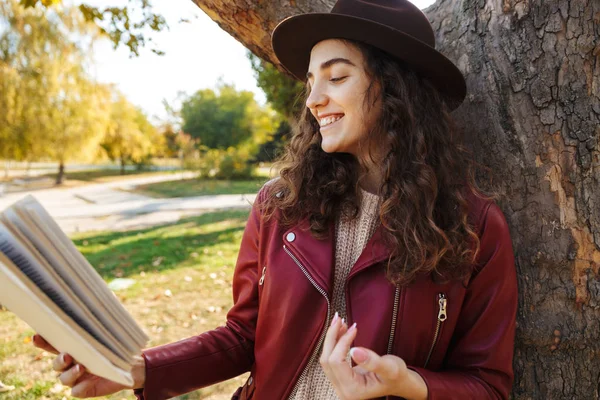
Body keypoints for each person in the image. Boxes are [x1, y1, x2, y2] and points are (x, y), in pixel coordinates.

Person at [33, 0, 518, 399]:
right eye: (311, 81)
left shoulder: (472, 225)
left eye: (337, 76)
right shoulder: (279, 205)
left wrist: (409, 384)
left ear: (395, 89)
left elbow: (488, 385)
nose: (313, 99)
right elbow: (244, 338)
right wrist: (137, 371)